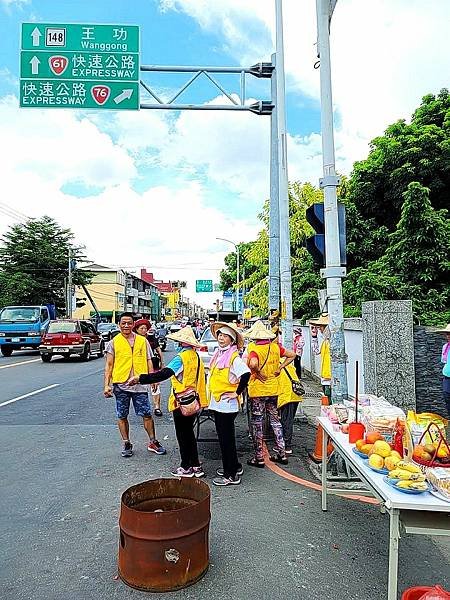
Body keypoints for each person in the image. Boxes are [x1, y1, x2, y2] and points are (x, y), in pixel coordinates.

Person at [128, 326, 208, 478]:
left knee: (183, 435)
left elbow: (164, 374)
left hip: (181, 402)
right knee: (189, 433)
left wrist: (141, 378)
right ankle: (196, 466)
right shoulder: (195, 356)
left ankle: (186, 467)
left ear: (181, 342)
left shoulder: (181, 358)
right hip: (193, 400)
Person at [103, 312, 166, 458]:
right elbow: (109, 365)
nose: (126, 325)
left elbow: (149, 360)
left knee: (146, 414)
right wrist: (106, 385)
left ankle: (153, 441)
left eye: (129, 323)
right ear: (119, 324)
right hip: (121, 384)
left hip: (140, 384)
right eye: (123, 323)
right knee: (122, 415)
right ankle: (126, 443)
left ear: (133, 324)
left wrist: (152, 379)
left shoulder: (142, 341)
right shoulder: (113, 342)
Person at [243, 320, 295, 467]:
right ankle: (282, 453)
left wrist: (257, 372)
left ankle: (259, 457)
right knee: (275, 420)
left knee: (258, 422)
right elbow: (292, 355)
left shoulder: (253, 348)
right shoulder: (275, 347)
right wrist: (280, 368)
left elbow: (252, 363)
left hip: (258, 391)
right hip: (273, 389)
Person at [207, 322, 250, 486]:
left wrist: (237, 392)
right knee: (226, 438)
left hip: (226, 405)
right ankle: (234, 466)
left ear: (232, 340)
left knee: (226, 440)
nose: (221, 338)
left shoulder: (233, 357)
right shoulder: (219, 353)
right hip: (219, 403)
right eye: (219, 335)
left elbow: (246, 374)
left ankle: (230, 475)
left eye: (225, 336)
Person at [133, 319, 165, 417]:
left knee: (155, 386)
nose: (144, 330)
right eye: (141, 328)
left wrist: (162, 363)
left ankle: (157, 407)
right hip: (140, 366)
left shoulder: (151, 338)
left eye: (145, 328)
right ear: (137, 329)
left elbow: (159, 351)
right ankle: (142, 407)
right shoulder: (134, 339)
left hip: (153, 364)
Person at [277, 362, 303, 455]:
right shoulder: (288, 363)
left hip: (287, 396)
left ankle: (286, 446)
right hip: (295, 394)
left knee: (286, 421)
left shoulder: (276, 364)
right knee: (288, 419)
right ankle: (284, 443)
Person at [309, 314, 331, 402]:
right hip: (325, 377)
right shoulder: (326, 341)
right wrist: (314, 336)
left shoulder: (333, 342)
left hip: (330, 379)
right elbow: (316, 351)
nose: (319, 329)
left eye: (321, 327)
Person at [438, 323, 450, 417]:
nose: (448, 336)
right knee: (447, 396)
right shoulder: (445, 347)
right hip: (447, 377)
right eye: (447, 334)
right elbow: (445, 361)